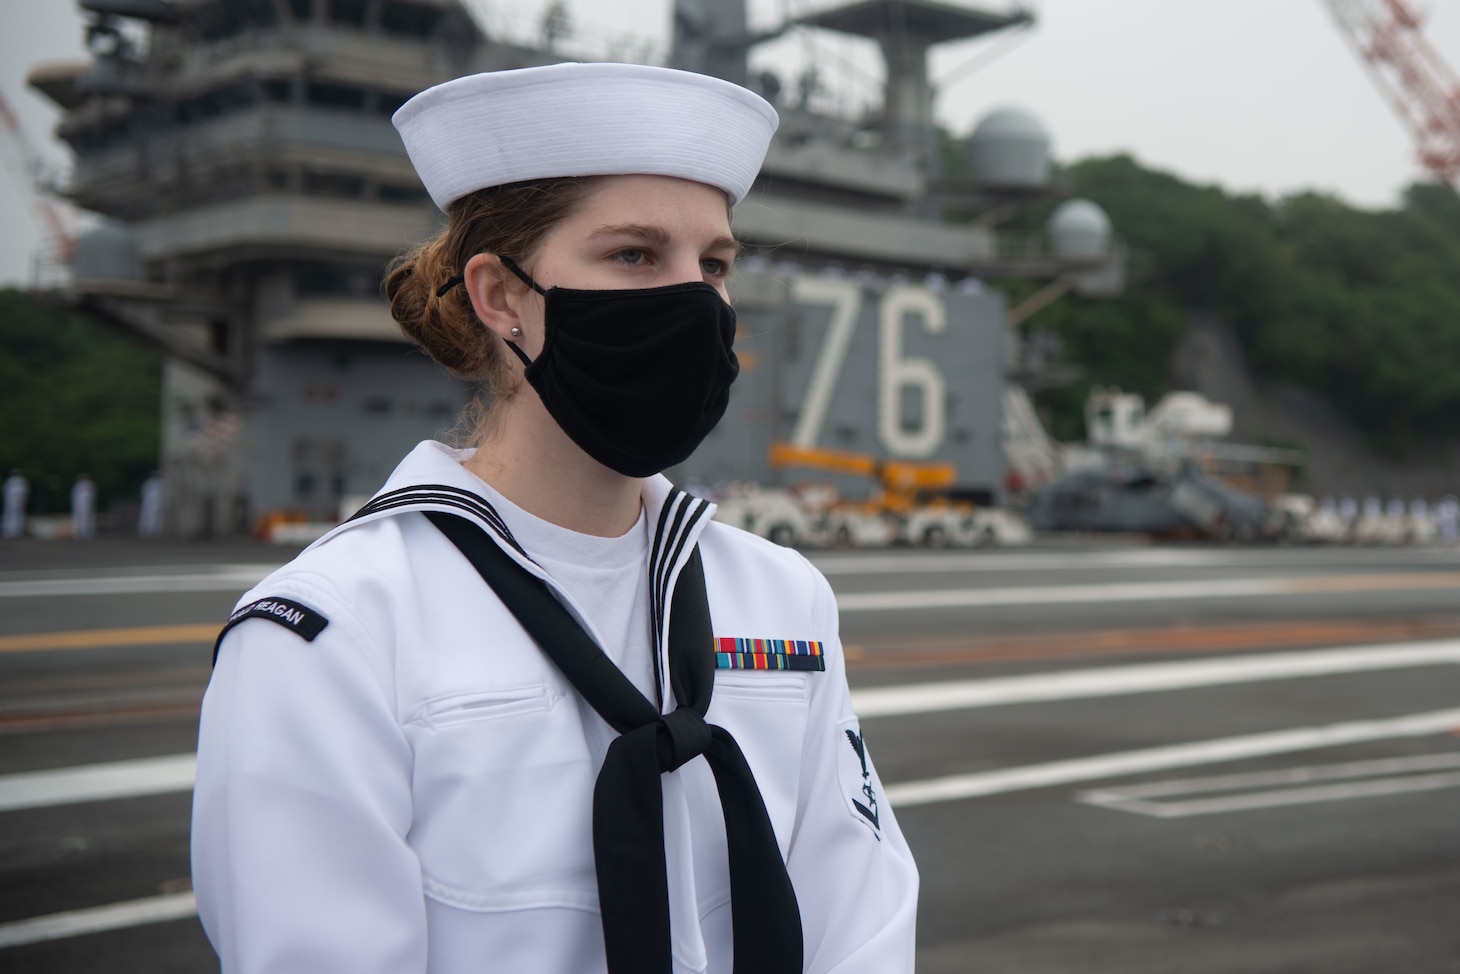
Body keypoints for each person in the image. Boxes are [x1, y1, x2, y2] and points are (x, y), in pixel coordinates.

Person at [192, 62, 918, 974]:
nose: (694, 300)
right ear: (502, 298)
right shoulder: (332, 633)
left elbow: (860, 920)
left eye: (715, 264)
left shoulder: (781, 598)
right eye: (634, 255)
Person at [137, 471, 164, 538]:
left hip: (155, 504)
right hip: (149, 504)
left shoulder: (159, 484)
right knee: (147, 517)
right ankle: (146, 532)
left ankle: (152, 532)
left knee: (154, 518)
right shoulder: (149, 483)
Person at [2, 470, 27, 539]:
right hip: (11, 503)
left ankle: (14, 531)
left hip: (16, 503)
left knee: (16, 516)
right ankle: (9, 530)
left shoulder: (19, 482)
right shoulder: (11, 482)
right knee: (11, 515)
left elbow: (24, 493)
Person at [70, 473, 96, 539]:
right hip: (78, 505)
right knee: (77, 518)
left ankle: (87, 532)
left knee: (87, 518)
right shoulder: (78, 485)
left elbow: (92, 495)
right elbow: (74, 496)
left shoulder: (90, 485)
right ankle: (77, 532)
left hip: (87, 504)